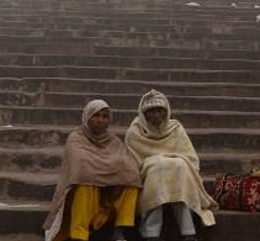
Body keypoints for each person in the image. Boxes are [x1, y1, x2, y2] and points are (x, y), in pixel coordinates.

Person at [43, 99, 142, 241]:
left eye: (104, 116)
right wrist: (109, 172)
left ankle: (119, 230)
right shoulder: (76, 138)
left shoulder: (113, 141)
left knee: (132, 180)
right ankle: (79, 235)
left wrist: (114, 178)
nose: (100, 120)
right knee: (85, 182)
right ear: (87, 117)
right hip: (83, 199)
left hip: (107, 199)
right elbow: (81, 167)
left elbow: (128, 167)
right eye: (96, 115)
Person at [125, 90, 217, 241]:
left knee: (180, 165)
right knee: (157, 167)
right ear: (144, 113)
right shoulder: (135, 132)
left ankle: (187, 230)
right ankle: (151, 233)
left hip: (178, 173)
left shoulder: (176, 128)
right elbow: (133, 163)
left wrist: (167, 162)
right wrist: (158, 163)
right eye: (151, 111)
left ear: (167, 111)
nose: (156, 115)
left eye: (160, 111)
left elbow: (190, 159)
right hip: (150, 176)